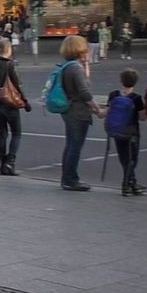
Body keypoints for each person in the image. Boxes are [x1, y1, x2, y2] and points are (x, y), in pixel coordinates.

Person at [58, 35, 102, 191]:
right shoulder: (75, 68)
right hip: (78, 112)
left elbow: (83, 82)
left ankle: (66, 178)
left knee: (70, 145)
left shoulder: (67, 66)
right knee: (75, 146)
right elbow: (84, 92)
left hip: (69, 110)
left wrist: (86, 64)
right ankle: (71, 179)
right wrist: (97, 109)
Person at [0, 38, 30, 176]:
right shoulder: (10, 65)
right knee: (16, 133)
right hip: (9, 104)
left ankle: (2, 163)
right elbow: (17, 85)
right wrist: (25, 102)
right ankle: (10, 162)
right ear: (9, 50)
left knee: (2, 133)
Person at [106, 68, 146, 197]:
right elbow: (142, 117)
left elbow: (106, 113)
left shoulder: (113, 95)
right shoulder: (137, 98)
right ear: (135, 82)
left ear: (121, 81)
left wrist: (95, 110)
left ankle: (132, 182)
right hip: (132, 132)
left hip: (117, 131)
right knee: (132, 159)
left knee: (124, 158)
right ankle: (126, 184)